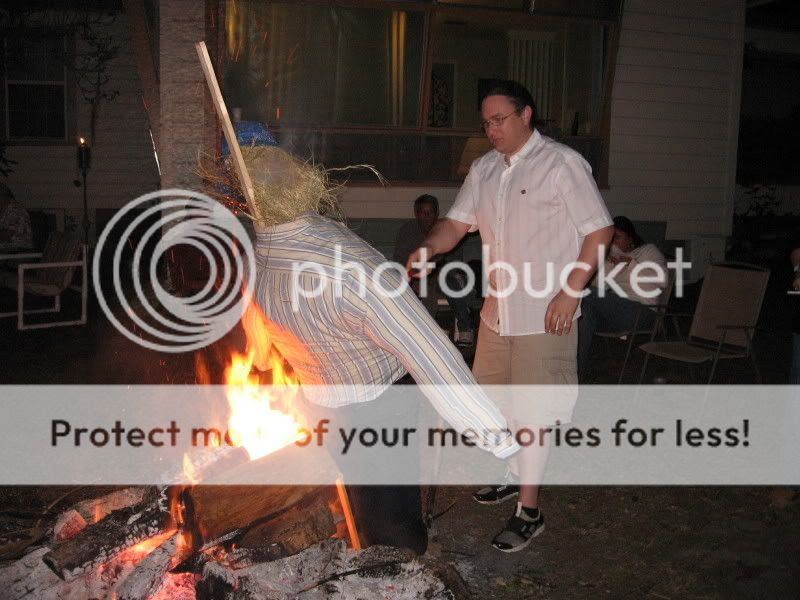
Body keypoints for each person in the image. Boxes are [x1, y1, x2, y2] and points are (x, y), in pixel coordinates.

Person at [239, 146, 520, 555]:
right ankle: (390, 563)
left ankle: (369, 551)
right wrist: (501, 440)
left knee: (360, 502)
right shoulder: (345, 266)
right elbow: (432, 356)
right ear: (302, 182)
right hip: (373, 403)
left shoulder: (264, 248)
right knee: (389, 530)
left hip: (325, 400)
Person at [407, 79, 613, 552]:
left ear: (526, 115)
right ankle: (512, 471)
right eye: (486, 123)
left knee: (534, 414)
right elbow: (455, 224)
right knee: (495, 407)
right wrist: (427, 247)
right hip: (497, 313)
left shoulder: (561, 164)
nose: (492, 130)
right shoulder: (484, 169)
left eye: (499, 120)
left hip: (545, 315)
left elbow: (599, 231)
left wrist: (571, 291)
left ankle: (529, 512)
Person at [577, 216, 668, 381]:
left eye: (617, 238)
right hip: (617, 312)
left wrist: (630, 263)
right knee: (585, 314)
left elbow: (662, 281)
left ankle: (576, 374)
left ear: (630, 237)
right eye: (610, 240)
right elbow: (600, 288)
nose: (614, 244)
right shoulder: (612, 259)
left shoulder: (648, 251)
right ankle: (576, 375)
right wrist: (606, 264)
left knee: (585, 293)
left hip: (643, 311)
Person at [393, 194, 475, 345]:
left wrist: (431, 274)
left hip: (445, 276)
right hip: (416, 277)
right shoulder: (407, 231)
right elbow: (400, 261)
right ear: (416, 214)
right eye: (422, 212)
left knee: (449, 281)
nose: (426, 217)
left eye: (430, 212)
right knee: (402, 287)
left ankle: (465, 328)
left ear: (437, 214)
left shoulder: (445, 230)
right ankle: (416, 334)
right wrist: (414, 279)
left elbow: (454, 264)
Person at [0, 183, 32, 251]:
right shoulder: (3, 210)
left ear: (4, 197)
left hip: (19, 251)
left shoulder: (16, 210)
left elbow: (7, 235)